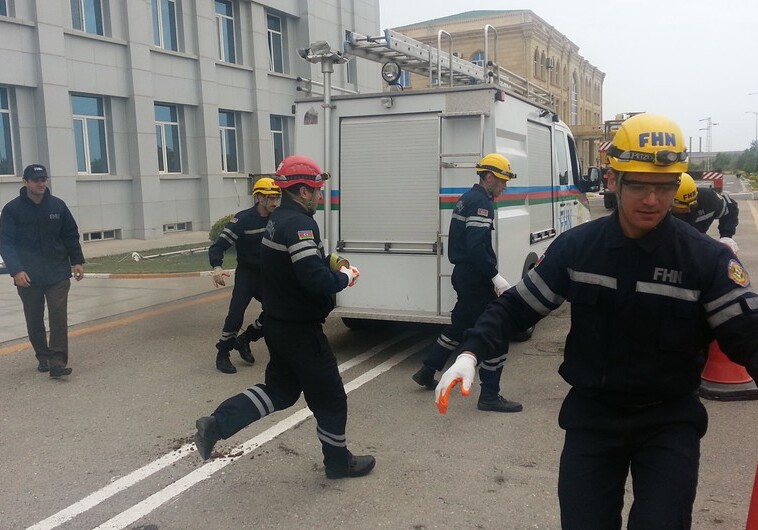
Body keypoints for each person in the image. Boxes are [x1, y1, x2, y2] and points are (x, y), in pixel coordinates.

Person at [434, 113, 758, 529]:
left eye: (664, 187)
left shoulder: (705, 260)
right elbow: (517, 306)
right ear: (614, 180)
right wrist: (471, 352)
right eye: (639, 185)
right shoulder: (579, 248)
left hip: (669, 421)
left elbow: (747, 332)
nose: (652, 200)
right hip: (593, 417)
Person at [195, 155, 375, 479]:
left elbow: (297, 262)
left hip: (278, 325)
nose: (321, 196)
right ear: (304, 191)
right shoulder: (301, 224)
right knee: (331, 397)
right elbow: (312, 278)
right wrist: (344, 278)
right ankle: (338, 463)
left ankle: (216, 424)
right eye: (318, 190)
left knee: (279, 391)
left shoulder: (278, 220)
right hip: (300, 331)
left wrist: (329, 259)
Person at [411, 153, 522, 413]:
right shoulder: (481, 204)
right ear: (490, 177)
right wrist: (494, 276)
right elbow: (476, 247)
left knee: (460, 325)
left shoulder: (467, 198)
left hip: (464, 275)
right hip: (475, 277)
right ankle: (490, 395)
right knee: (495, 332)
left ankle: (427, 369)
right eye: (503, 181)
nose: (505, 187)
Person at [0, 164, 85, 378]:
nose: (41, 183)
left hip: (57, 271)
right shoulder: (12, 209)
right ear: (25, 182)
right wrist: (16, 270)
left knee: (58, 315)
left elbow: (70, 235)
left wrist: (77, 261)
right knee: (34, 317)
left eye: (44, 179)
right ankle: (43, 356)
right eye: (36, 180)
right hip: (28, 276)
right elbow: (6, 242)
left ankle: (57, 361)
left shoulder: (57, 206)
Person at [209, 177, 281, 374]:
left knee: (276, 312)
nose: (275, 202)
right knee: (235, 316)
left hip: (269, 274)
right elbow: (218, 246)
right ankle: (222, 354)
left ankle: (245, 339)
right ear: (258, 198)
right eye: (270, 198)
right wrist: (216, 267)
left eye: (277, 197)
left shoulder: (279, 218)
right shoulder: (243, 219)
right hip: (247, 274)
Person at [671, 172, 739, 253]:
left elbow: (730, 209)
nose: (689, 210)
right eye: (684, 207)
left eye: (692, 204)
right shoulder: (658, 210)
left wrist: (727, 236)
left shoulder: (708, 199)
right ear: (670, 201)